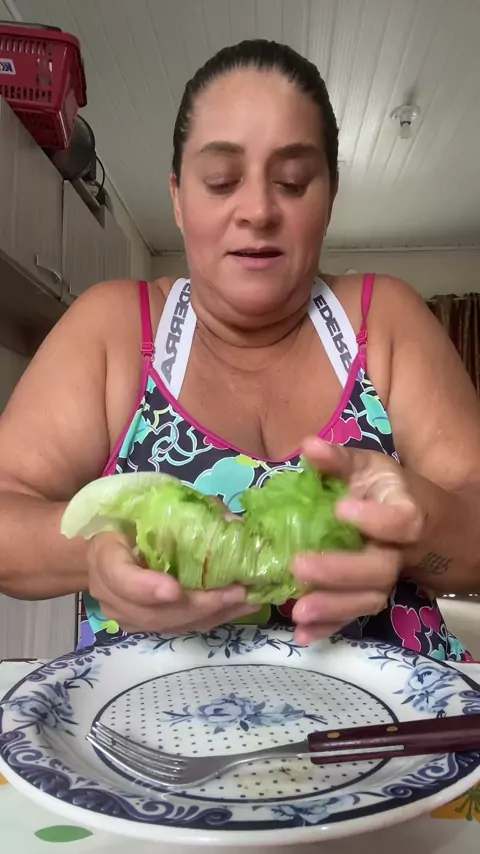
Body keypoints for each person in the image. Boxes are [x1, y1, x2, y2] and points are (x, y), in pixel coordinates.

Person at [1, 40, 480, 660]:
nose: (257, 210)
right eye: (222, 181)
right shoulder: (113, 329)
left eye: (293, 182)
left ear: (330, 197)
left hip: (403, 714)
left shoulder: (385, 319)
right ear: (178, 197)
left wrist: (412, 531)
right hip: (154, 719)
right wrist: (97, 551)